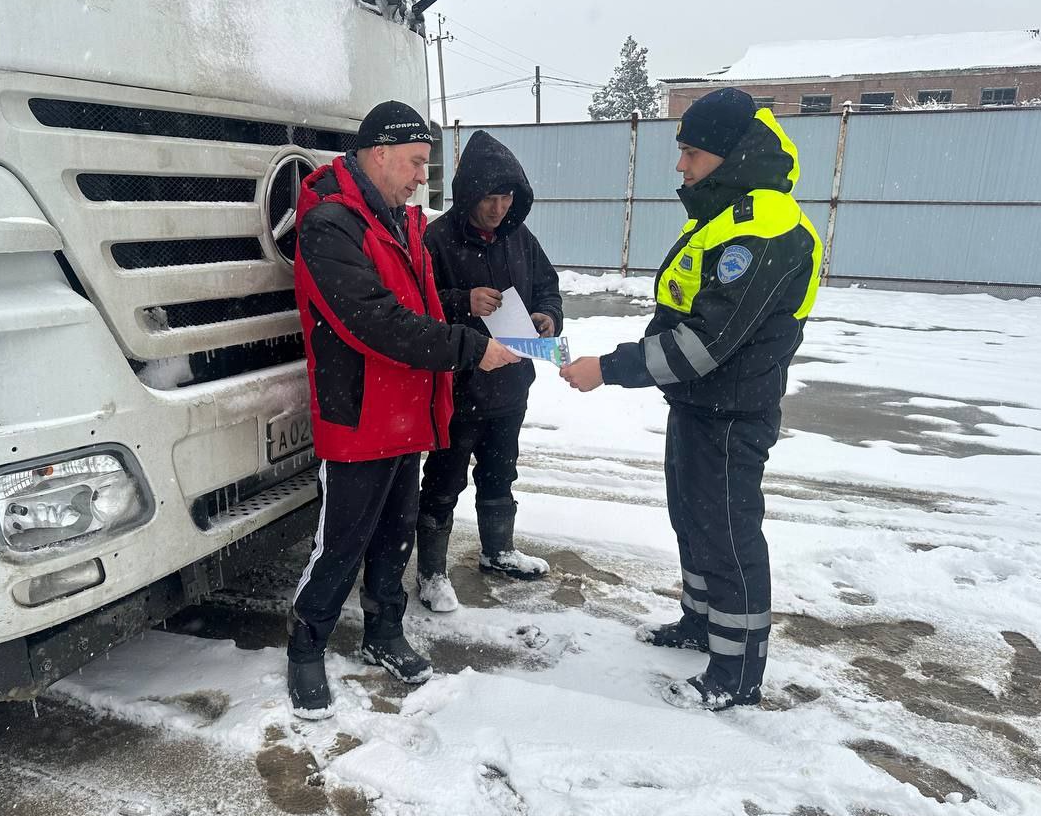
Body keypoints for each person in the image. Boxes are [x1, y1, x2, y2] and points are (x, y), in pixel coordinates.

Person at [560, 88, 823, 711]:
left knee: (729, 536)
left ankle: (736, 670)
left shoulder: (763, 230)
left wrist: (611, 368)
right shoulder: (730, 214)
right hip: (701, 407)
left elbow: (707, 343)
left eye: (691, 152)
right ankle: (700, 625)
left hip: (732, 414)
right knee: (694, 521)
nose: (681, 166)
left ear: (728, 155)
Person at [288, 100, 520, 719]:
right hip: (359, 413)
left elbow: (416, 302)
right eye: (417, 162)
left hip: (407, 411)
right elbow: (374, 320)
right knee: (340, 541)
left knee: (395, 534)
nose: (424, 176)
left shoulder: (398, 221)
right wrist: (472, 349)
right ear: (380, 152)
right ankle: (306, 646)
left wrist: (462, 304)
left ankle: (384, 633)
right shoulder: (331, 224)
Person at [415, 130, 563, 612]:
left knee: (501, 474)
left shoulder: (521, 237)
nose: (498, 208)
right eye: (489, 198)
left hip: (511, 385)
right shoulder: (436, 239)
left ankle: (498, 551)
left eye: (506, 198)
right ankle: (431, 573)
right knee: (444, 481)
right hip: (457, 390)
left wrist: (548, 317)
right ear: (468, 195)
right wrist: (463, 300)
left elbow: (548, 287)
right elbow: (414, 306)